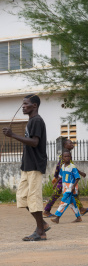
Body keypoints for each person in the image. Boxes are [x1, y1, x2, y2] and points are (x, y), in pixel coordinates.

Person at [2, 95, 50, 241]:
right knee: (22, 197)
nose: (23, 106)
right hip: (27, 165)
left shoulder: (37, 121)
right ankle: (42, 224)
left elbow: (35, 142)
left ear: (34, 105)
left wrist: (13, 135)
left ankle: (40, 232)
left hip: (35, 165)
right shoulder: (30, 121)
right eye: (22, 104)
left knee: (34, 198)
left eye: (26, 104)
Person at [43, 138, 88, 218]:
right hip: (63, 181)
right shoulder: (65, 155)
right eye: (70, 143)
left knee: (74, 194)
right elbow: (61, 167)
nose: (72, 144)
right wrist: (56, 178)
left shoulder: (67, 154)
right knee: (56, 195)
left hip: (67, 180)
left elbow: (70, 167)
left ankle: (81, 209)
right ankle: (47, 211)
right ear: (65, 145)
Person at [51, 151, 82, 224]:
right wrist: (55, 183)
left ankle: (57, 217)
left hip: (70, 187)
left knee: (63, 201)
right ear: (62, 158)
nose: (67, 158)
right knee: (72, 203)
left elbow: (77, 177)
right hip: (65, 187)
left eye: (68, 156)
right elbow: (60, 176)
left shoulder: (72, 167)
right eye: (65, 156)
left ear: (71, 158)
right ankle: (78, 217)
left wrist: (74, 186)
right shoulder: (62, 167)